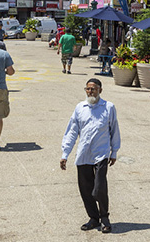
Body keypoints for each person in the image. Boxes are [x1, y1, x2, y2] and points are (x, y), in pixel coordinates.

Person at [60, 78, 119, 233]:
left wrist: (114, 151)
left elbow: (114, 130)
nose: (90, 92)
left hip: (101, 154)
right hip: (84, 154)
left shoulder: (108, 107)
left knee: (99, 188)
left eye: (93, 89)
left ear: (100, 90)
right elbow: (72, 131)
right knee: (86, 189)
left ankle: (104, 217)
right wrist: (65, 153)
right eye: (88, 89)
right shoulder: (80, 108)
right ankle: (94, 218)